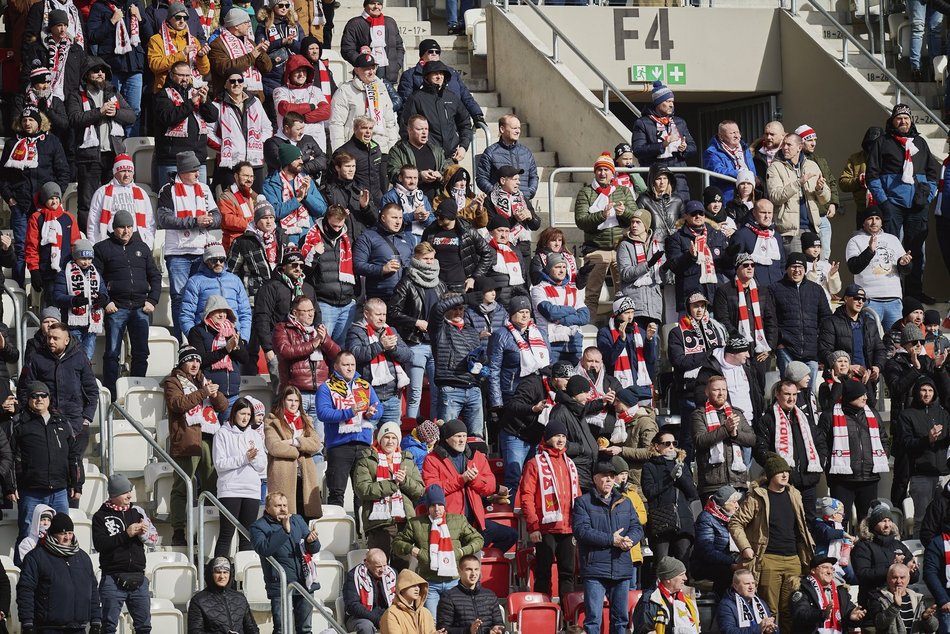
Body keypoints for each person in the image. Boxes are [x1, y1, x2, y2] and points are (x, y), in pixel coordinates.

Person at [729, 452, 816, 632]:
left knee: (790, 609)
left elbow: (801, 526)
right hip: (768, 559)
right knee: (770, 609)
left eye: (787, 471)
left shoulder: (795, 494)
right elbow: (735, 522)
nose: (785, 475)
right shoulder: (757, 497)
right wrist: (745, 548)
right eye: (780, 472)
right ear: (770, 475)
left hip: (794, 559)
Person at [866, 104, 939, 304]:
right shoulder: (882, 142)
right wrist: (884, 201)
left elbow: (933, 173)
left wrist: (928, 196)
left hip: (918, 205)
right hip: (893, 205)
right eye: (899, 118)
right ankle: (893, 291)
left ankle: (914, 293)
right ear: (892, 121)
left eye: (906, 118)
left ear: (911, 121)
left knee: (916, 250)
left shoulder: (921, 143)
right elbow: (872, 176)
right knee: (891, 248)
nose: (903, 122)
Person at [163, 345, 229, 546]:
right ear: (182, 362)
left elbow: (223, 407)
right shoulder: (172, 381)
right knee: (182, 486)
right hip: (185, 439)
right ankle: (179, 531)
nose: (194, 364)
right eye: (190, 360)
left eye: (197, 360)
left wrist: (215, 394)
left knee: (211, 485)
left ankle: (206, 527)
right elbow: (177, 404)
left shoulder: (203, 380)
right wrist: (203, 392)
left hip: (208, 437)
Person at [423, 419, 516, 553]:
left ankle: (485, 556)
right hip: (450, 522)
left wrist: (474, 480)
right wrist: (462, 479)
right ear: (447, 438)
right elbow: (433, 489)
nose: (462, 440)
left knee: (510, 535)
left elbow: (490, 484)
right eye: (458, 436)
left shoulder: (476, 456)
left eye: (464, 436)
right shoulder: (432, 459)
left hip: (475, 522)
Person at [0, 107, 70, 285]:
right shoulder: (12, 144)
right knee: (21, 249)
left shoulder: (52, 142)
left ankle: (47, 287)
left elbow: (63, 172)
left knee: (46, 246)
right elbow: (3, 177)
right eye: (24, 120)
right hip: (21, 206)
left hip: (45, 207)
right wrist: (10, 199)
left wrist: (56, 196)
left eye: (31, 120)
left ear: (39, 122)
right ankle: (20, 289)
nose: (27, 123)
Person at [391, 484, 484, 616]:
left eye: (440, 505)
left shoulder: (458, 520)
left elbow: (478, 539)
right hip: (430, 582)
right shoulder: (416, 523)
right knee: (433, 621)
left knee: (457, 619)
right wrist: (414, 550)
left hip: (454, 581)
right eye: (433, 505)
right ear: (427, 507)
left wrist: (462, 552)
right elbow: (397, 544)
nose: (437, 509)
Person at [156, 150, 221, 339]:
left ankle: (200, 339)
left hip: (202, 250)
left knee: (201, 297)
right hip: (178, 253)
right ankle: (182, 339)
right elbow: (164, 219)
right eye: (194, 171)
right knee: (179, 297)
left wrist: (210, 221)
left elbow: (217, 215)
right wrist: (194, 221)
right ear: (183, 171)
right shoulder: (168, 189)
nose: (198, 174)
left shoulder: (204, 188)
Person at [573, 459, 643, 634]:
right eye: (604, 477)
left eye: (612, 477)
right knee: (593, 620)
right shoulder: (583, 502)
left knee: (621, 620)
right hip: (595, 568)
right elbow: (582, 531)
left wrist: (630, 539)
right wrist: (611, 540)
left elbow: (637, 527)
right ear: (595, 478)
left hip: (622, 567)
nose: (609, 480)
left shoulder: (625, 501)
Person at [67, 57, 136, 232]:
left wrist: (116, 113)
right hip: (89, 158)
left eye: (103, 71)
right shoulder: (76, 95)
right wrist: (100, 112)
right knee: (87, 202)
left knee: (113, 200)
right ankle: (87, 239)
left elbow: (131, 116)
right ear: (86, 75)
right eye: (96, 71)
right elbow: (74, 119)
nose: (100, 74)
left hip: (113, 156)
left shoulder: (113, 93)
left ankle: (112, 235)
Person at [18, 323, 98, 469]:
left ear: (66, 340)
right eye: (49, 338)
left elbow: (92, 390)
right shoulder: (36, 358)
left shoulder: (80, 358)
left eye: (55, 338)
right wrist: (30, 416)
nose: (51, 341)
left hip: (75, 423)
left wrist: (86, 418)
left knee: (73, 466)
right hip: (45, 422)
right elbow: (24, 389)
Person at [517, 419, 580, 605]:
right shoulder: (535, 463)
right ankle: (543, 615)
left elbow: (577, 494)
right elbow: (526, 496)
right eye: (556, 435)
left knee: (568, 573)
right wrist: (533, 526)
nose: (560, 439)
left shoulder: (570, 463)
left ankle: (568, 619)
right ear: (547, 438)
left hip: (568, 527)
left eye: (563, 436)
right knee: (543, 572)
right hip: (545, 528)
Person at [9, 381, 79, 547]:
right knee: (27, 533)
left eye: (43, 395)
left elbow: (73, 456)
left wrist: (77, 484)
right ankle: (24, 571)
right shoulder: (19, 423)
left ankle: (61, 569)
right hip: (30, 491)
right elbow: (9, 457)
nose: (39, 399)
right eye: (34, 396)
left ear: (49, 398)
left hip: (60, 491)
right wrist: (10, 486)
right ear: (28, 399)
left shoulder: (62, 422)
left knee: (63, 535)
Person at [317, 351, 383, 507]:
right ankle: (337, 529)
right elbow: (323, 413)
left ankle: (361, 530)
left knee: (363, 491)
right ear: (336, 366)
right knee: (336, 492)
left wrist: (372, 412)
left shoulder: (364, 385)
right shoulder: (326, 387)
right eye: (345, 364)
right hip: (339, 446)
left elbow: (379, 407)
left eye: (352, 364)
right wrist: (350, 411)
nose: (350, 368)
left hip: (364, 445)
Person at [573, 152, 637, 315]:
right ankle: (588, 327)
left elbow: (636, 218)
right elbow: (581, 221)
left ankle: (622, 329)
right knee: (592, 294)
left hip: (620, 248)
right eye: (599, 170)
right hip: (595, 248)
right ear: (595, 172)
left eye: (606, 170)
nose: (602, 173)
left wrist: (624, 213)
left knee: (623, 294)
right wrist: (601, 215)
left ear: (613, 172)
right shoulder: (586, 192)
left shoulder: (623, 191)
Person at [17, 513, 102, 634]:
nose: (67, 537)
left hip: (79, 627)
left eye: (70, 533)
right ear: (53, 534)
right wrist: (27, 623)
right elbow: (26, 590)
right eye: (62, 534)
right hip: (48, 628)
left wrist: (96, 621)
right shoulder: (36, 557)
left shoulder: (83, 557)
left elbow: (92, 590)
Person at [389, 241, 446, 419]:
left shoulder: (439, 284)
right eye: (425, 258)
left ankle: (435, 433)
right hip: (416, 343)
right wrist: (415, 322)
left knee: (438, 393)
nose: (429, 262)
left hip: (437, 345)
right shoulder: (406, 282)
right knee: (415, 393)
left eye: (432, 258)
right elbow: (392, 312)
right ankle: (412, 430)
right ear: (416, 258)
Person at [250, 491, 321, 634]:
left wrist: (311, 541)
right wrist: (284, 530)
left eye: (285, 505)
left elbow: (314, 548)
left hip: (304, 582)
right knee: (282, 629)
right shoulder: (258, 527)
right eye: (278, 506)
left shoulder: (297, 519)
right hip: (280, 586)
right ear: (267, 508)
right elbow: (264, 549)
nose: (283, 509)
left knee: (305, 629)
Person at [754, 379, 825, 519]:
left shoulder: (805, 418)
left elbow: (820, 442)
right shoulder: (768, 420)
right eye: (787, 394)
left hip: (808, 480)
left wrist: (820, 462)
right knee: (786, 521)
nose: (791, 398)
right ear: (777, 395)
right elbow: (760, 450)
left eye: (794, 394)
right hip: (783, 483)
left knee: (809, 522)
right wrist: (776, 470)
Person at [819, 379, 888, 521]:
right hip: (842, 479)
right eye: (861, 394)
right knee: (839, 520)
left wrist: (882, 457)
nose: (865, 397)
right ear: (850, 396)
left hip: (869, 477)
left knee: (867, 522)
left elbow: (884, 439)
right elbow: (821, 444)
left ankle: (864, 544)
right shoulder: (830, 415)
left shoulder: (872, 414)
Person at [354, 422, 424, 561]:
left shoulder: (407, 460)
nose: (390, 441)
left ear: (398, 440)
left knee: (402, 571)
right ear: (380, 439)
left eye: (394, 438)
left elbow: (420, 490)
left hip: (404, 523)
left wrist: (404, 481)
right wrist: (392, 484)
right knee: (379, 568)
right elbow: (362, 489)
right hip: (379, 525)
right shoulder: (367, 460)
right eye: (386, 437)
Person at [92, 474, 152, 634]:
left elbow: (152, 538)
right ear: (114, 495)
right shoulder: (100, 516)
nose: (129, 495)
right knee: (109, 626)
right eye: (125, 492)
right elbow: (100, 545)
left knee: (144, 627)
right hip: (112, 578)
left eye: (130, 491)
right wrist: (126, 534)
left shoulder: (136, 513)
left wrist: (144, 533)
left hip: (139, 578)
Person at [272, 294, 339, 425]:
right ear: (295, 313)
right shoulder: (282, 328)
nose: (310, 315)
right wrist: (313, 344)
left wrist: (324, 340)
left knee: (319, 441)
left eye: (311, 311)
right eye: (306, 311)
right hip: (296, 393)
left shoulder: (318, 331)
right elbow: (285, 351)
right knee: (297, 438)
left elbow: (338, 355)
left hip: (320, 393)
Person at [487, 295, 551, 434]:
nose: (524, 315)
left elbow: (549, 364)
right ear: (512, 314)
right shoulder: (501, 335)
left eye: (527, 312)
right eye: (521, 312)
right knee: (513, 432)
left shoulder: (540, 333)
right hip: (512, 391)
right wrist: (497, 402)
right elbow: (494, 369)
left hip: (538, 391)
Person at [254, 249, 319, 384]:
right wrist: (268, 349)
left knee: (303, 390)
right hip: (280, 348)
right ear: (283, 266)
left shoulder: (307, 288)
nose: (298, 269)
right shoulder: (270, 287)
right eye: (294, 265)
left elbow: (317, 315)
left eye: (301, 266)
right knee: (281, 392)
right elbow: (262, 318)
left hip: (304, 347)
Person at [152, 59, 218, 188]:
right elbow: (168, 118)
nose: (185, 79)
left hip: (198, 159)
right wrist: (190, 103)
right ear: (172, 75)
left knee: (199, 200)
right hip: (172, 160)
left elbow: (213, 117)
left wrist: (205, 102)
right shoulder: (162, 95)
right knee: (171, 201)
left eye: (188, 75)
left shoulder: (196, 92)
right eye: (181, 75)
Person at [214, 398, 268, 556]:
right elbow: (220, 464)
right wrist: (244, 459)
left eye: (248, 414)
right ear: (234, 413)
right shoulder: (222, 433)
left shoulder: (255, 435)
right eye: (242, 413)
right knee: (226, 534)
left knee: (247, 536)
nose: (245, 418)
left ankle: (244, 576)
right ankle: (219, 573)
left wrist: (253, 459)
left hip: (252, 490)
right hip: (230, 490)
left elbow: (262, 465)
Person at [713, 252, 778, 384]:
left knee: (759, 388)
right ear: (737, 268)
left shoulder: (763, 291)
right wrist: (740, 343)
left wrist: (769, 347)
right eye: (745, 265)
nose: (750, 268)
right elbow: (723, 320)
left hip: (760, 351)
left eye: (752, 265)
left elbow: (771, 321)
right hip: (737, 351)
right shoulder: (724, 291)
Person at [845, 206, 913, 331]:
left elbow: (906, 270)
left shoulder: (893, 239)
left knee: (895, 341)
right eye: (870, 218)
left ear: (882, 221)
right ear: (864, 222)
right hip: (870, 300)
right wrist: (870, 250)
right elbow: (854, 267)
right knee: (870, 340)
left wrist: (904, 263)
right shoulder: (855, 241)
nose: (874, 222)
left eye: (877, 218)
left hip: (894, 300)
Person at [206, 67, 273, 192]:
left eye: (239, 80)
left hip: (255, 163)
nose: (236, 83)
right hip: (231, 163)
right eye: (232, 81)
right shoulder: (217, 104)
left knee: (256, 201)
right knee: (234, 203)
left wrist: (259, 141)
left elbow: (267, 127)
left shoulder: (255, 102)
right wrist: (224, 146)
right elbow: (208, 132)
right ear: (225, 84)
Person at [640, 427, 699, 567]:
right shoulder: (649, 466)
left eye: (674, 443)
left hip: (683, 520)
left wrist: (681, 477)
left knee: (683, 564)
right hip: (662, 521)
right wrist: (669, 478)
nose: (672, 447)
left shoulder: (681, 464)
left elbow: (692, 493)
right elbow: (649, 492)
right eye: (667, 443)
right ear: (657, 446)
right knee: (662, 565)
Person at [691, 375, 756, 501]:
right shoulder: (699, 415)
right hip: (712, 484)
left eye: (724, 390)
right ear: (707, 392)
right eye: (716, 390)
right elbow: (700, 440)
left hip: (737, 482)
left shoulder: (736, 413)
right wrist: (725, 429)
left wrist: (735, 435)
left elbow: (752, 439)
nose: (721, 393)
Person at [347, 298, 412, 424]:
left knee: (392, 438)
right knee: (368, 438)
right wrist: (380, 346)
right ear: (366, 314)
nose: (382, 318)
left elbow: (408, 355)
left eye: (384, 314)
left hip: (392, 397)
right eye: (378, 314)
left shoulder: (391, 331)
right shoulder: (356, 331)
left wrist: (392, 349)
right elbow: (354, 355)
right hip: (367, 397)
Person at [900, 376, 950, 536]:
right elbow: (906, 443)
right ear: (917, 392)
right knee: (921, 519)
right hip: (921, 476)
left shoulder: (943, 414)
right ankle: (918, 555)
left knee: (945, 518)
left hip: (944, 474)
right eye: (923, 390)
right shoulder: (907, 415)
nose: (927, 393)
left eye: (930, 390)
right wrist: (927, 439)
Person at [769, 252, 832, 379]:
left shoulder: (816, 289)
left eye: (800, 267)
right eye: (793, 267)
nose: (797, 270)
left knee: (810, 391)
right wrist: (778, 344)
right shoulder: (774, 289)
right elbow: (770, 319)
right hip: (786, 349)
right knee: (789, 389)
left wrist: (819, 340)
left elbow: (826, 318)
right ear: (786, 268)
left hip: (811, 350)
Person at [630, 81, 696, 201]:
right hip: (654, 175)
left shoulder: (679, 122)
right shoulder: (643, 123)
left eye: (672, 101)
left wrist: (684, 148)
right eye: (667, 101)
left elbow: (693, 148)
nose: (671, 105)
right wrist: (662, 145)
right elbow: (638, 150)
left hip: (678, 175)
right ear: (658, 103)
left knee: (681, 211)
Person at [766, 132, 831, 254]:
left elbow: (825, 199)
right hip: (790, 232)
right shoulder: (775, 167)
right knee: (796, 268)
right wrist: (798, 183)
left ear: (799, 147)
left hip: (813, 229)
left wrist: (819, 189)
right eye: (784, 144)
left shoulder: (812, 166)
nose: (785, 147)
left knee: (814, 269)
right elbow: (775, 196)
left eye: (789, 145)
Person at [264, 385, 323, 519]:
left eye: (296, 401)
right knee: (285, 516)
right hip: (283, 474)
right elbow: (274, 447)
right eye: (290, 400)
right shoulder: (272, 421)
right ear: (283, 400)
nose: (293, 404)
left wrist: (294, 442)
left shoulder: (306, 420)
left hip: (305, 474)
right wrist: (299, 450)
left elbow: (315, 444)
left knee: (306, 515)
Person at [399, 61, 472, 165]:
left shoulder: (452, 97)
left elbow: (465, 123)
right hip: (425, 159)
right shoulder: (416, 98)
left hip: (450, 159)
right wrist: (416, 153)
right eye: (435, 73)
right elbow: (406, 128)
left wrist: (463, 146)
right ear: (427, 76)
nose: (439, 77)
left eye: (442, 74)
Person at [180, 243, 253, 344]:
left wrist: (244, 338)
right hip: (207, 337)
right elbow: (186, 314)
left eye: (222, 260)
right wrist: (195, 338)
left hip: (234, 336)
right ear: (206, 261)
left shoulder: (235, 280)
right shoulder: (195, 281)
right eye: (214, 260)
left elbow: (245, 312)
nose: (218, 263)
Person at [666, 199, 731, 311]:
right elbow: (674, 266)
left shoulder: (717, 235)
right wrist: (690, 256)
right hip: (690, 299)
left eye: (701, 213)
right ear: (686, 216)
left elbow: (726, 264)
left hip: (715, 296)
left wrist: (733, 252)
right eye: (693, 213)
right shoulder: (676, 238)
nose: (698, 216)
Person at [851, 501, 919, 606]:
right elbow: (863, 574)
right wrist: (892, 568)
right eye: (883, 521)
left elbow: (914, 578)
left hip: (900, 600)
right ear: (873, 524)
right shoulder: (863, 546)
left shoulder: (899, 545)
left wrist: (911, 569)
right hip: (874, 601)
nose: (887, 525)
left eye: (889, 521)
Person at [328, 54, 399, 155]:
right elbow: (336, 124)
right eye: (366, 69)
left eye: (373, 68)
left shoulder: (381, 89)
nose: (371, 72)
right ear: (357, 70)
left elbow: (390, 122)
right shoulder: (345, 91)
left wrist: (392, 149)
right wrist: (340, 153)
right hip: (355, 150)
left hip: (381, 149)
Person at [51, 238, 109, 361]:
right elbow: (57, 297)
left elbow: (103, 291)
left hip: (92, 323)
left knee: (87, 357)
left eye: (89, 259)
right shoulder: (64, 273)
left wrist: (103, 299)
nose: (86, 262)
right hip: (73, 324)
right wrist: (73, 300)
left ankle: (84, 378)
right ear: (75, 257)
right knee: (74, 356)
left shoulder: (96, 273)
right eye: (83, 258)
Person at [24, 182, 81, 302]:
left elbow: (76, 244)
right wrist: (34, 270)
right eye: (50, 198)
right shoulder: (37, 218)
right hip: (47, 272)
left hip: (67, 271)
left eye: (56, 198)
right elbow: (31, 246)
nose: (54, 201)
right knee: (51, 305)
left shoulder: (68, 218)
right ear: (44, 200)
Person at [262, 143, 328, 246]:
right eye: (297, 159)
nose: (301, 161)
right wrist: (297, 199)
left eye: (301, 158)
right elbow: (274, 212)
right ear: (287, 161)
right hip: (285, 240)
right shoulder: (270, 184)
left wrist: (306, 196)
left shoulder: (306, 180)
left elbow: (322, 209)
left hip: (309, 239)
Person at [421, 200, 493, 292]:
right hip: (436, 284)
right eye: (437, 215)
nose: (438, 218)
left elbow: (487, 253)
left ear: (451, 217)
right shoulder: (430, 231)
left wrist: (474, 277)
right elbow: (421, 255)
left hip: (461, 285)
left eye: (442, 217)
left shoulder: (467, 231)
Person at [227, 198, 289, 305]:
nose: (269, 221)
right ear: (256, 220)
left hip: (280, 294)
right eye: (265, 218)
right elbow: (231, 273)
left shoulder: (282, 236)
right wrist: (240, 293)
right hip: (254, 297)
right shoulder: (242, 241)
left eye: (271, 217)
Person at [87, 154, 155, 249]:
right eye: (123, 171)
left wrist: (148, 244)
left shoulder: (142, 193)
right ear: (115, 172)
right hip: (110, 239)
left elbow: (150, 222)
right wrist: (93, 245)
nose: (127, 175)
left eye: (129, 171)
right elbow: (93, 222)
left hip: (136, 239)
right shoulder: (101, 192)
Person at [596, 295, 656, 399]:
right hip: (619, 389)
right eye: (626, 313)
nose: (630, 316)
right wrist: (621, 339)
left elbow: (651, 360)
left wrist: (649, 340)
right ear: (617, 314)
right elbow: (609, 360)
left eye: (632, 312)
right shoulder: (605, 333)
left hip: (641, 388)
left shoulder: (640, 331)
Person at [352, 203, 414, 302]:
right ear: (383, 218)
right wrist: (382, 269)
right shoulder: (368, 237)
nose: (398, 222)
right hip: (380, 297)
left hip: (405, 296)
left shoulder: (406, 238)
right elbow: (357, 265)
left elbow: (412, 262)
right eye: (394, 217)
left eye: (400, 218)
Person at [790, 555, 865, 633]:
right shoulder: (803, 589)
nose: (829, 572)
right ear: (813, 570)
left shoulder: (840, 591)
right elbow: (800, 615)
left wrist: (851, 616)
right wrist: (822, 614)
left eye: (832, 568)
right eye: (825, 567)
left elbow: (848, 612)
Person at [273, 55, 331, 155]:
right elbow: (285, 109)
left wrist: (301, 117)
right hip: (292, 144)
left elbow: (326, 111)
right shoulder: (280, 91)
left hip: (317, 142)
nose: (301, 74)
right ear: (289, 73)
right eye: (297, 71)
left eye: (304, 71)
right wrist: (311, 107)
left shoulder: (316, 90)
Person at [692, 485, 743, 598]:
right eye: (734, 502)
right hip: (708, 565)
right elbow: (706, 551)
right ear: (724, 503)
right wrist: (731, 563)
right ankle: (724, 605)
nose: (737, 506)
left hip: (731, 561)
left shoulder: (735, 520)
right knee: (727, 575)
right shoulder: (706, 518)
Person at [146, 4, 210, 93]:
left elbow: (204, 70)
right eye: (178, 17)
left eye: (185, 18)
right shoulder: (156, 40)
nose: (182, 21)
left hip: (190, 90)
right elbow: (154, 65)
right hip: (165, 90)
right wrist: (182, 54)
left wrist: (201, 57)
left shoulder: (193, 40)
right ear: (169, 18)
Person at [616, 208, 664, 326]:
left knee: (652, 343)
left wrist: (668, 267)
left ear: (646, 225)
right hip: (633, 307)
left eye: (638, 222)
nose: (634, 225)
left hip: (654, 307)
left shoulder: (657, 245)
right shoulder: (625, 245)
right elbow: (625, 274)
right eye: (632, 222)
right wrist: (647, 265)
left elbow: (661, 276)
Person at [208, 9, 271, 100]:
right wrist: (251, 56)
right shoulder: (217, 44)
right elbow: (226, 69)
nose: (249, 25)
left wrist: (261, 53)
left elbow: (267, 68)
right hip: (230, 97)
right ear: (236, 25)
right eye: (246, 22)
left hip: (256, 96)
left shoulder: (250, 42)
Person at [188, 557, 260, 634]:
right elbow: (195, 632)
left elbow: (252, 629)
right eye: (218, 572)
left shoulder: (240, 598)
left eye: (225, 572)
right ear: (211, 574)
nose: (222, 576)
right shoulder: (198, 601)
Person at [436, 555, 505, 634]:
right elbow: (442, 629)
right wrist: (468, 631)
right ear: (459, 571)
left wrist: (496, 629)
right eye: (468, 569)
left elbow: (499, 623)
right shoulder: (448, 597)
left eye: (476, 569)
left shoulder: (490, 595)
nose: (473, 573)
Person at [477, 114, 538, 200]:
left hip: (523, 203)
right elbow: (481, 178)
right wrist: (496, 194)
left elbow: (534, 177)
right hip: (499, 206)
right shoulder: (491, 152)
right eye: (514, 128)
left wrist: (529, 192)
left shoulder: (526, 152)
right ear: (502, 129)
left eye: (519, 128)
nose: (518, 131)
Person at [388, 115, 448, 201]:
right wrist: (419, 176)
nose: (424, 132)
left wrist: (440, 176)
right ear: (409, 130)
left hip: (435, 202)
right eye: (419, 129)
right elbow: (393, 174)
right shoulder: (398, 151)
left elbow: (447, 173)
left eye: (426, 129)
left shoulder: (437, 150)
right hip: (408, 202)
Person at [868, 562, 938, 634]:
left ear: (908, 579)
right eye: (895, 577)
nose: (898, 581)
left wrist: (927, 618)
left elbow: (934, 628)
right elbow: (879, 624)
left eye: (902, 577)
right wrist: (895, 606)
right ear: (888, 579)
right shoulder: (878, 598)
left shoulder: (918, 598)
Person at [335, 115, 388, 210]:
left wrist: (383, 193)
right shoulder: (344, 151)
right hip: (357, 202)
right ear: (355, 129)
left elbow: (380, 174)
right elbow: (335, 181)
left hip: (377, 199)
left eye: (370, 128)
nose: (368, 132)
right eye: (364, 128)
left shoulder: (375, 147)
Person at [343, 548, 397, 634]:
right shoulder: (353, 576)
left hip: (386, 614)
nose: (383, 570)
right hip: (359, 617)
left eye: (385, 565)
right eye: (378, 567)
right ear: (367, 564)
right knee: (366, 626)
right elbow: (352, 605)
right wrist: (377, 619)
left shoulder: (392, 574)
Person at [839, 126, 885, 226]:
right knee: (862, 239)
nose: (873, 147)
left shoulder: (889, 157)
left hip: (886, 206)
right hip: (863, 209)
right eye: (870, 144)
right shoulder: (855, 159)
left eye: (876, 144)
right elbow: (843, 183)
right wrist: (858, 181)